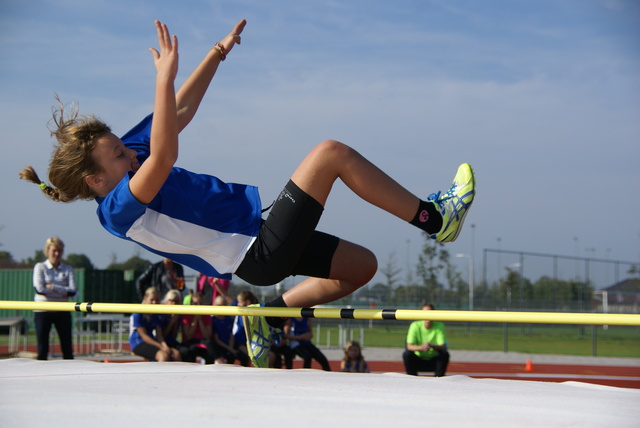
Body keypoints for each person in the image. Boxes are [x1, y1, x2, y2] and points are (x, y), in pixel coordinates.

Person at [19, 19, 476, 369]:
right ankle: (436, 219)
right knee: (329, 155)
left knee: (362, 266)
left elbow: (177, 111)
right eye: (118, 154)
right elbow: (163, 156)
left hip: (261, 230)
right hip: (254, 251)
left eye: (122, 145)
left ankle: (267, 316)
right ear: (97, 181)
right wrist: (161, 79)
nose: (129, 154)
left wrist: (216, 54)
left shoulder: (132, 159)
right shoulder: (117, 210)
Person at [32, 236, 77, 360]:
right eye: (54, 251)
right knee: (42, 348)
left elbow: (72, 291)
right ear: (47, 251)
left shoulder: (68, 269)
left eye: (60, 251)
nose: (57, 254)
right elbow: (39, 289)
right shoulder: (40, 267)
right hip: (43, 310)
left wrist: (52, 287)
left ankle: (70, 373)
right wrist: (63, 290)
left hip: (62, 310)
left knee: (67, 347)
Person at [129, 287, 182, 362]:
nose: (154, 302)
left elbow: (159, 335)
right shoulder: (138, 314)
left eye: (157, 300)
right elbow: (144, 336)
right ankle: (159, 373)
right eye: (152, 300)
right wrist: (160, 346)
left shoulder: (156, 315)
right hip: (138, 342)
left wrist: (165, 346)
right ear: (145, 299)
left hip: (152, 341)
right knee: (162, 355)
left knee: (176, 354)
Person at [402, 303, 449, 377]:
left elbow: (442, 346)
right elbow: (409, 346)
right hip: (418, 359)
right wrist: (421, 347)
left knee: (444, 354)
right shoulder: (415, 325)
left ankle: (439, 379)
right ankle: (411, 378)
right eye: (425, 313)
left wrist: (431, 346)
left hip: (433, 360)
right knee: (407, 354)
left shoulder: (439, 326)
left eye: (430, 313)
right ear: (421, 314)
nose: (428, 315)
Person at [181, 292, 221, 364]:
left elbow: (207, 335)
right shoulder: (186, 315)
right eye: (195, 303)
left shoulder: (206, 316)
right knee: (190, 350)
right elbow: (188, 336)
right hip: (191, 342)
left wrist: (200, 320)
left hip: (204, 341)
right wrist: (195, 320)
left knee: (210, 346)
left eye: (200, 303)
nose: (198, 306)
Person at [211, 295, 249, 366]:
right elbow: (216, 339)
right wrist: (230, 349)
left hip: (229, 345)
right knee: (229, 356)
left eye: (224, 304)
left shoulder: (229, 319)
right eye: (220, 305)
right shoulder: (213, 320)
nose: (223, 307)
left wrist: (231, 348)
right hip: (220, 346)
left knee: (243, 356)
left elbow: (231, 335)